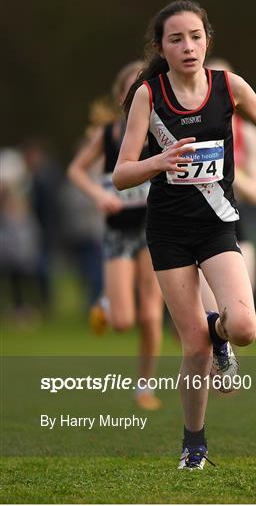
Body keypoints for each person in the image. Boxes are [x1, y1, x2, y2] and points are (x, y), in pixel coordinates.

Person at [113, 0, 256, 469]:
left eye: (195, 36)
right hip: (168, 233)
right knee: (193, 347)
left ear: (207, 39)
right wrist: (158, 162)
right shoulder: (148, 96)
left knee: (245, 327)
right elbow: (121, 174)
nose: (187, 46)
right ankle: (194, 445)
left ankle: (220, 334)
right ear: (161, 47)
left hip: (217, 224)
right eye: (176, 39)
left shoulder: (227, 87)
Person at [67, 61, 164, 411]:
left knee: (152, 314)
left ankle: (144, 387)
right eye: (131, 86)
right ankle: (107, 306)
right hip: (118, 232)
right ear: (121, 96)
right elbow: (75, 170)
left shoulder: (163, 131)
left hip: (154, 230)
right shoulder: (108, 134)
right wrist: (99, 195)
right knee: (124, 322)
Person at [198, 58, 256, 311]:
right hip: (196, 227)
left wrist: (226, 167)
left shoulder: (248, 134)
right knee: (211, 317)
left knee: (240, 317)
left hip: (238, 229)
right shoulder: (186, 125)